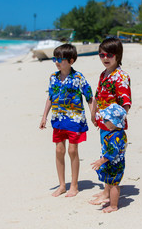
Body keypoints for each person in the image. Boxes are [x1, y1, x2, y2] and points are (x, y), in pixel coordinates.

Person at [39, 44, 93, 197]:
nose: (57, 61)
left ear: (71, 61)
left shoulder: (78, 77)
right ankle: (62, 185)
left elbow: (89, 97)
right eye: (55, 58)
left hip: (75, 119)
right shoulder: (53, 77)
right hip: (58, 119)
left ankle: (74, 185)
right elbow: (50, 97)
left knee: (72, 150)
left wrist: (93, 115)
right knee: (59, 150)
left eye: (60, 59)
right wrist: (44, 116)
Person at [89, 37, 132, 209]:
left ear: (118, 55)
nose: (105, 58)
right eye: (101, 55)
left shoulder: (121, 76)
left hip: (113, 127)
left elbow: (126, 104)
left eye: (109, 55)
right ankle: (106, 191)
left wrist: (114, 124)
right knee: (105, 154)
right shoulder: (103, 74)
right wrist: (94, 115)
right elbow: (98, 96)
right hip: (103, 123)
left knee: (111, 157)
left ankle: (109, 193)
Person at [91, 103, 127, 213]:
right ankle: (112, 201)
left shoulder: (116, 136)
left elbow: (112, 152)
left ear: (114, 122)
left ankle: (113, 206)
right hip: (113, 164)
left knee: (113, 185)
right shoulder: (116, 133)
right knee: (111, 183)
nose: (104, 121)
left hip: (115, 165)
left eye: (106, 120)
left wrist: (100, 161)